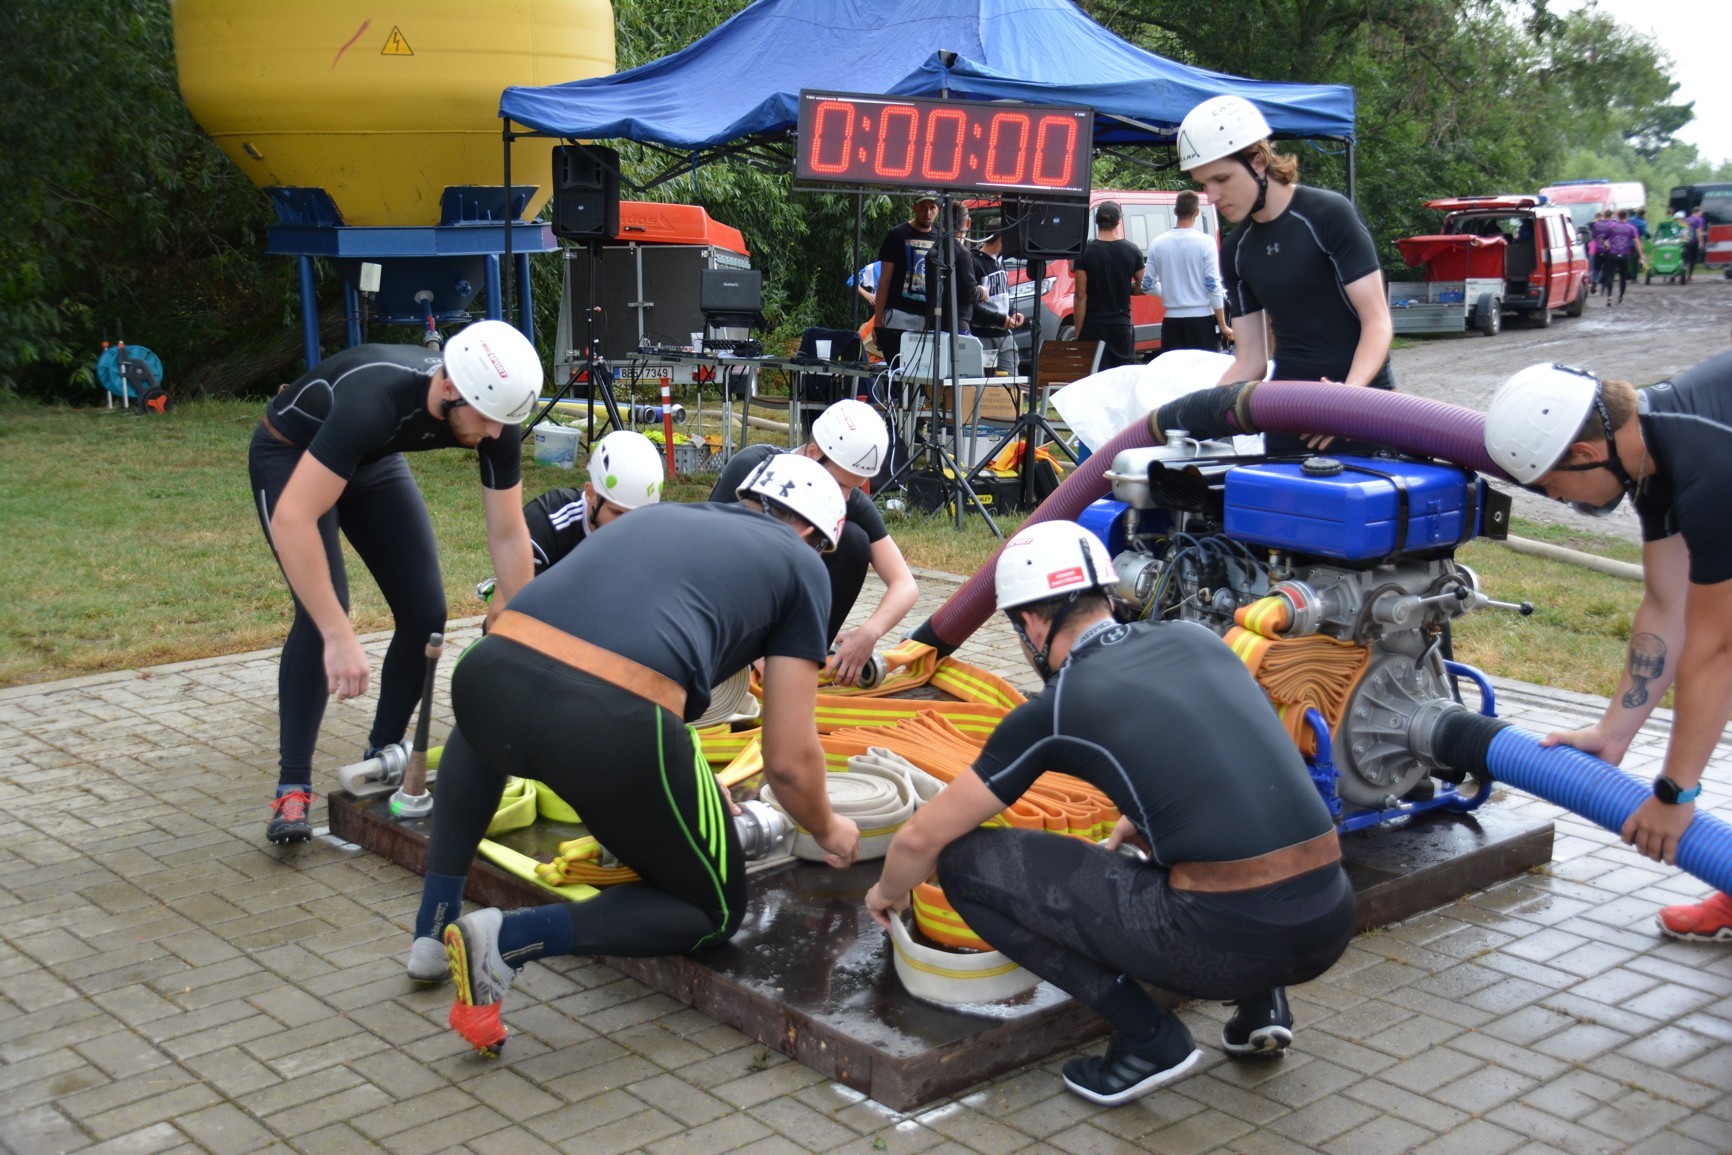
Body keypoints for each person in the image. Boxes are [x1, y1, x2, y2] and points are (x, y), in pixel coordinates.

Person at [865, 521, 1354, 1105]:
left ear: (1032, 624)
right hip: (1331, 917)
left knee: (964, 864)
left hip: (1222, 945)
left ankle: (1149, 1040)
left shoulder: (1061, 703)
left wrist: (888, 892)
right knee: (1219, 845)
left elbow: (921, 838)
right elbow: (1227, 765)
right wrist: (1145, 821)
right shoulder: (1197, 639)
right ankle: (1261, 1007)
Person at [409, 452, 862, 1053]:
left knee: (489, 719)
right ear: (810, 533)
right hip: (606, 724)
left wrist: (687, 778)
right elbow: (787, 760)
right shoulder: (803, 565)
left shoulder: (662, 515)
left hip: (487, 672)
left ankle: (430, 927)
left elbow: (618, 638)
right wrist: (828, 829)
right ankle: (506, 941)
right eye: (824, 549)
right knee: (711, 912)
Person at [248, 320, 541, 845]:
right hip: (291, 455)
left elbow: (507, 531)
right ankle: (292, 786)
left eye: (504, 423)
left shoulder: (494, 412)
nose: (496, 434)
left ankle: (381, 756)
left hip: (372, 461)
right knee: (321, 614)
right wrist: (339, 635)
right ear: (449, 387)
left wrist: (526, 636)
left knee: (426, 613)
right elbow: (293, 519)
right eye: (487, 420)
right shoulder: (375, 398)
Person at [1483, 355, 1732, 942]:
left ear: (1585, 453)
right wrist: (1612, 733)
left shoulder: (1708, 471)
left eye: (1551, 486)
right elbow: (1667, 606)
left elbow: (1716, 650)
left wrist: (1674, 792)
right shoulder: (1649, 455)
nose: (1556, 496)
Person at [1176, 95, 1394, 454]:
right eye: (1203, 184)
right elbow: (1251, 361)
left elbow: (1377, 322)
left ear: (1259, 162)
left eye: (1221, 179)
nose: (1211, 196)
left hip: (1360, 411)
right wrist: (1195, 416)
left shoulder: (1327, 214)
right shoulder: (1236, 248)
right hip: (1288, 415)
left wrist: (1348, 397)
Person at [709, 399, 918, 685]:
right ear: (812, 453)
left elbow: (905, 584)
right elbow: (710, 565)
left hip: (785, 612)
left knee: (854, 540)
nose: (845, 498)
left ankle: (805, 655)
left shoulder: (849, 499)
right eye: (840, 485)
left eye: (854, 487)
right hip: (732, 611)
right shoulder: (752, 467)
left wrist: (868, 633)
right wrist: (747, 649)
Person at [519, 430, 664, 576]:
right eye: (617, 513)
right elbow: (517, 589)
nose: (626, 525)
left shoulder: (657, 537)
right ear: (591, 494)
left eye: (637, 516)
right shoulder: (547, 522)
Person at [1141, 190, 1233, 354]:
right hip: (1201, 319)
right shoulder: (1206, 242)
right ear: (1196, 212)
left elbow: (1147, 285)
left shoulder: (1158, 243)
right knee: (1202, 367)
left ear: (1175, 211)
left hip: (1171, 321)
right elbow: (1212, 285)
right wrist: (1223, 324)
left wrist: (1168, 291)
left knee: (1174, 368)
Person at [1071, 200, 1146, 370]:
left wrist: (1078, 331)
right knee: (1123, 374)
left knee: (1095, 375)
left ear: (1096, 221)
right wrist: (1126, 288)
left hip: (1094, 326)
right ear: (1118, 221)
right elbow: (1144, 286)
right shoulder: (1132, 250)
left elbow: (1080, 295)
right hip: (1121, 325)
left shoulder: (1085, 252)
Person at [872, 192, 940, 367]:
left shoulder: (941, 238)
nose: (928, 213)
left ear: (938, 210)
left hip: (928, 316)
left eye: (932, 208)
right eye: (923, 207)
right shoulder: (897, 235)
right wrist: (878, 323)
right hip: (899, 313)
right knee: (897, 367)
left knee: (924, 369)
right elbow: (884, 280)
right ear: (914, 207)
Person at [969, 227, 1027, 377]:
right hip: (981, 336)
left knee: (1011, 383)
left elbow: (1002, 296)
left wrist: (1013, 313)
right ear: (1002, 238)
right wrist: (1002, 320)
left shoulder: (1000, 261)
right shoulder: (974, 262)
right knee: (980, 384)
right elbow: (971, 306)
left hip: (1005, 336)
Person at [1600, 210, 1638, 305]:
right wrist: (1642, 255)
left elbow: (1603, 239)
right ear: (1627, 216)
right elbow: (1636, 242)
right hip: (1625, 254)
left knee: (1610, 275)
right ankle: (1621, 295)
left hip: (1613, 253)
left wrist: (1606, 246)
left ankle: (1609, 296)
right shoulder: (1631, 228)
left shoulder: (1612, 227)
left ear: (1618, 216)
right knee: (1623, 276)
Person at [1684, 206, 1707, 283]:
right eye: (1701, 212)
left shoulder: (1686, 219)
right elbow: (1699, 231)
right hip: (1694, 240)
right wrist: (1701, 242)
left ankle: (1682, 273)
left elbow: (1683, 230)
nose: (1701, 213)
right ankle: (1689, 275)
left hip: (1686, 241)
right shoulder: (1699, 219)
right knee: (1693, 259)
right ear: (1698, 212)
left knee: (1685, 258)